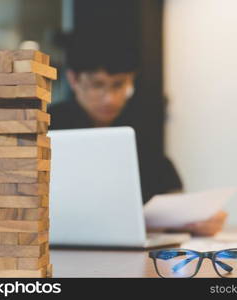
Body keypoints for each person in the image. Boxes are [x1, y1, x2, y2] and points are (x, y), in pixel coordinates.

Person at [49, 33, 227, 236]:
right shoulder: (47, 125)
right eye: (97, 85)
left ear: (131, 80)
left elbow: (170, 189)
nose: (110, 99)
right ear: (73, 80)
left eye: (119, 85)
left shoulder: (138, 127)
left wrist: (196, 217)